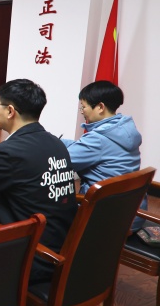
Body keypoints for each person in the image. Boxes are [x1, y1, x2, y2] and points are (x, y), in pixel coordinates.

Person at [0, 79, 77, 284]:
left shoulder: (11, 152)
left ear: (10, 111)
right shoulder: (56, 143)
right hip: (60, 246)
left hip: (32, 256)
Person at [61, 80, 145, 231]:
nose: (82, 111)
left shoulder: (98, 139)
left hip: (106, 219)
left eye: (83, 107)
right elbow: (84, 147)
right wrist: (55, 141)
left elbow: (61, 160)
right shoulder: (122, 129)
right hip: (130, 213)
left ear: (100, 107)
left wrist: (44, 145)